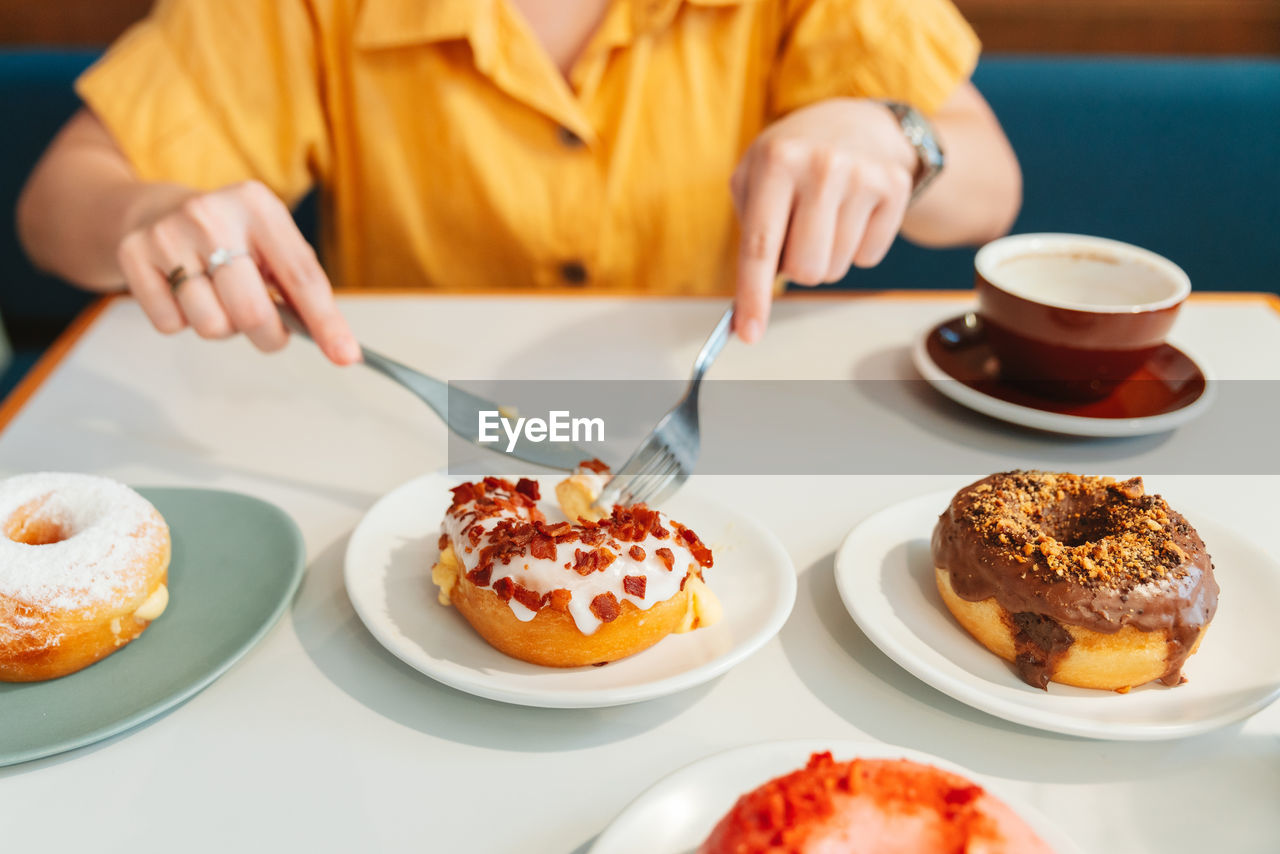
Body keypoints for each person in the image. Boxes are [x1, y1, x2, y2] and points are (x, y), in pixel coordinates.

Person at [16, 0, 1020, 365]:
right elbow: (59, 200)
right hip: (402, 441)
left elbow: (988, 183)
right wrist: (149, 213)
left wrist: (895, 137)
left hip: (723, 423)